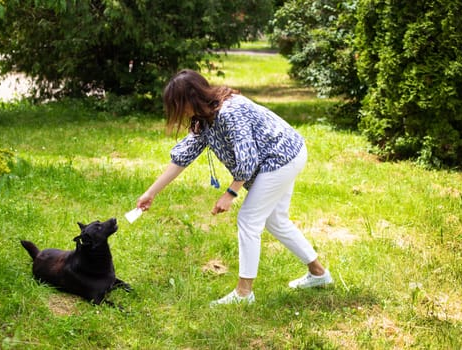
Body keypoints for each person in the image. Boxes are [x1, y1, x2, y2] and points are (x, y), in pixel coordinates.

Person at [136, 69, 332, 306]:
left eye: (177, 104)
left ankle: (243, 293)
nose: (176, 112)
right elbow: (182, 156)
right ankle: (319, 273)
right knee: (275, 220)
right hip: (279, 157)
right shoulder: (203, 118)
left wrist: (230, 193)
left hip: (282, 156)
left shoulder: (229, 112)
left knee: (249, 220)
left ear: (192, 97)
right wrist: (151, 192)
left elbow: (247, 159)